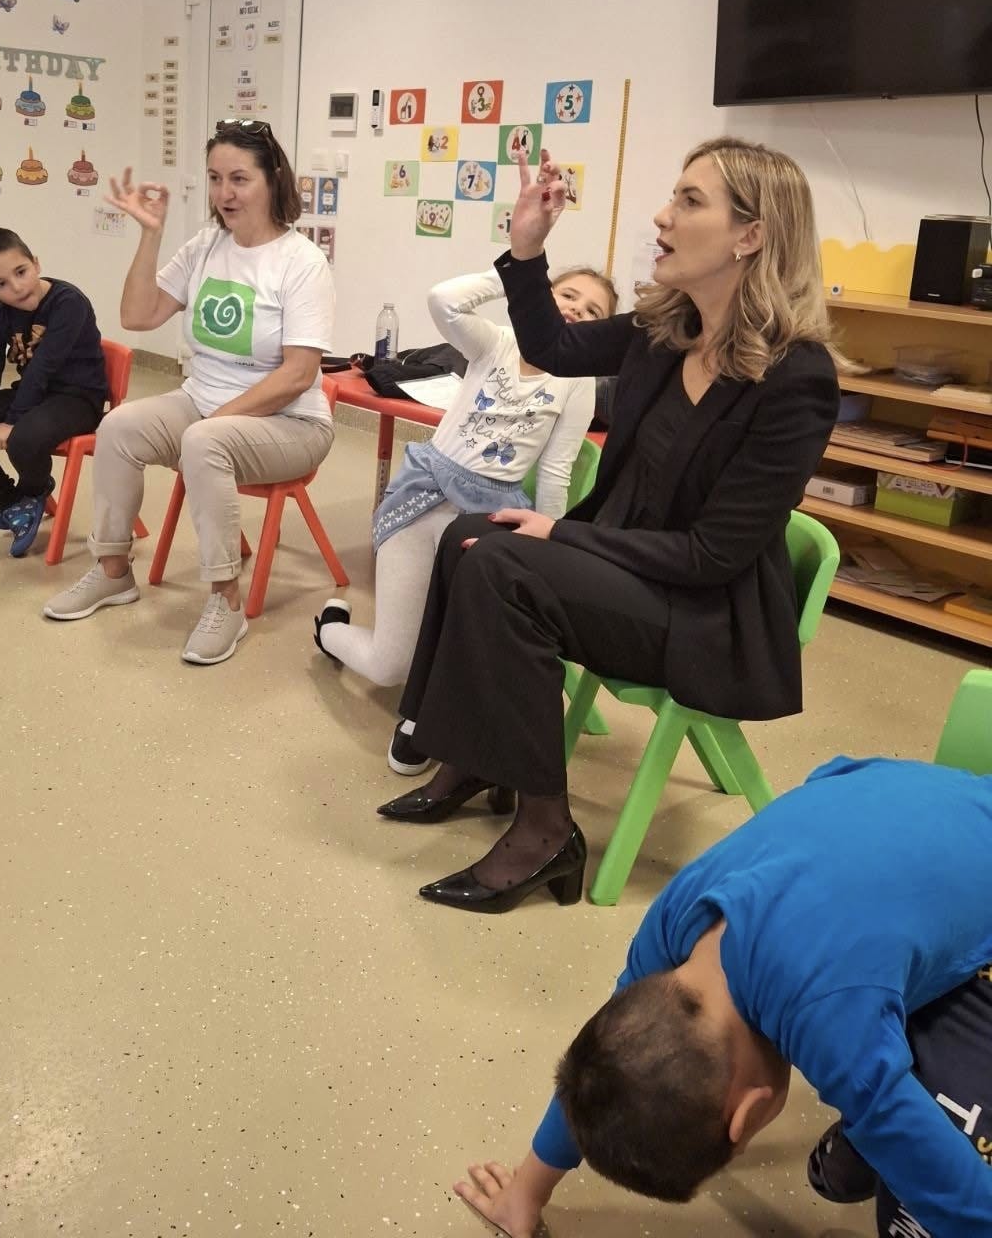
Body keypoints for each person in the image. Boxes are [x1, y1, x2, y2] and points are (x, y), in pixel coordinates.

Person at [376, 136, 840, 912]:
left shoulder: (798, 378)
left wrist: (561, 533)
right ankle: (469, 758)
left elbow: (711, 555)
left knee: (502, 563)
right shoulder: (668, 330)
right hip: (633, 573)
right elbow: (550, 345)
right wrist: (528, 249)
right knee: (467, 537)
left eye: (689, 201)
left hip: (703, 613)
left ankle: (544, 832)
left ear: (750, 236)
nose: (662, 216)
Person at [451, 756, 992, 1238]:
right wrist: (527, 1191)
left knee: (921, 1192)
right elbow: (600, 1065)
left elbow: (963, 1202)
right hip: (881, 789)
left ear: (748, 1114)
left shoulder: (832, 1023)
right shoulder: (676, 918)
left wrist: (883, 1130)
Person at [43, 120, 335, 665]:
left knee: (204, 441)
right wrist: (150, 234)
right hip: (204, 404)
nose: (225, 193)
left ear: (273, 178)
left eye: (239, 179)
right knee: (118, 426)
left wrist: (215, 421)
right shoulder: (206, 246)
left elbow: (298, 374)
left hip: (293, 424)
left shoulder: (302, 262)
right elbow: (138, 315)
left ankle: (226, 600)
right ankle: (113, 571)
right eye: (215, 178)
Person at [314, 264, 613, 773]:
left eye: (592, 312)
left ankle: (424, 718)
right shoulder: (496, 341)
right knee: (389, 665)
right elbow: (443, 300)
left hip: (489, 512)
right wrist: (518, 277)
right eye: (567, 296)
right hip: (424, 494)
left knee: (463, 635)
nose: (575, 311)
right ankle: (329, 632)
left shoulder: (578, 382)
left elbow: (556, 472)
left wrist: (549, 544)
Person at [0, 227, 108, 558]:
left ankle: (33, 490)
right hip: (33, 395)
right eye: (0, 284)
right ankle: (13, 501)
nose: (16, 287)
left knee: (23, 439)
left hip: (78, 399)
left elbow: (43, 366)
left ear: (36, 264)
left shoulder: (68, 302)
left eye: (21, 272)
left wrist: (13, 421)